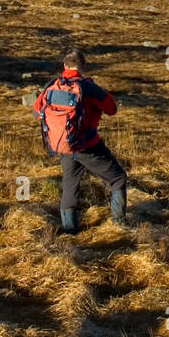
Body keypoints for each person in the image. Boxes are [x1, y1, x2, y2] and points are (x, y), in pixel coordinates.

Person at [32, 49, 127, 231]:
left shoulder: (51, 86)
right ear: (82, 66)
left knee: (69, 185)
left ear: (64, 65)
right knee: (118, 179)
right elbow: (112, 108)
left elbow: (37, 112)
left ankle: (70, 230)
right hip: (87, 146)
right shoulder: (88, 87)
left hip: (64, 146)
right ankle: (119, 225)